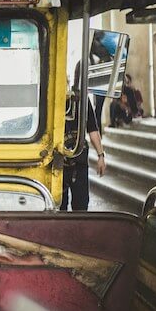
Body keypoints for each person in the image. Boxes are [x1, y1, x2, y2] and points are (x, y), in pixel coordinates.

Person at [62, 63, 107, 211]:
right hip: (56, 163)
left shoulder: (82, 101)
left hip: (79, 162)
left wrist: (101, 156)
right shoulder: (49, 101)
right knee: (57, 207)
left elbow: (92, 129)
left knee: (81, 207)